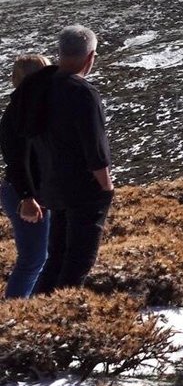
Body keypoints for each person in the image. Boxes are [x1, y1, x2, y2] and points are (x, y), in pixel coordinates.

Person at [19, 27, 114, 294]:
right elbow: (95, 150)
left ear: (59, 53)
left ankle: (36, 318)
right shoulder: (83, 92)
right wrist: (106, 188)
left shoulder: (41, 88)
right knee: (77, 262)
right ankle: (61, 321)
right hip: (84, 191)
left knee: (56, 258)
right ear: (91, 57)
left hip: (51, 188)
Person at [0, 55, 53, 297]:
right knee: (33, 260)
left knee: (41, 258)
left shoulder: (29, 110)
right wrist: (27, 197)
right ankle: (13, 317)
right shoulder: (18, 115)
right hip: (25, 194)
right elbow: (17, 161)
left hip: (34, 192)